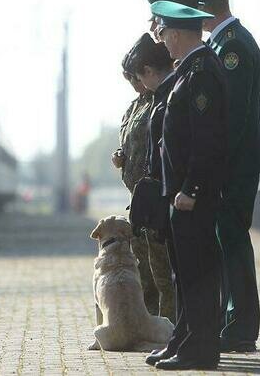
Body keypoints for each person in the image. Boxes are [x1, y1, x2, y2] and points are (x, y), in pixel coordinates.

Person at [175, 0, 260, 352]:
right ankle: (233, 319)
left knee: (233, 243)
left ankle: (242, 325)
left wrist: (216, 167)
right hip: (230, 165)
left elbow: (233, 117)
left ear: (207, 9)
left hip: (234, 165)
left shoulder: (234, 48)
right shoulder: (224, 44)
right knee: (226, 243)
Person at [145, 0, 225, 370]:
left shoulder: (202, 72)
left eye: (165, 35)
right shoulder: (189, 70)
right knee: (184, 273)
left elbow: (207, 139)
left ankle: (201, 347)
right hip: (180, 195)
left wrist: (191, 189)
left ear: (177, 34)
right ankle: (184, 337)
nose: (163, 43)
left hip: (193, 196)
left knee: (198, 273)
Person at [114, 33, 175, 319]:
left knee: (163, 271)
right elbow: (131, 139)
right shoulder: (136, 105)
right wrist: (121, 156)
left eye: (136, 77)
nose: (135, 84)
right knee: (145, 270)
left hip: (156, 195)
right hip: (139, 200)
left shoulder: (161, 99)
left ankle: (168, 327)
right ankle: (149, 323)